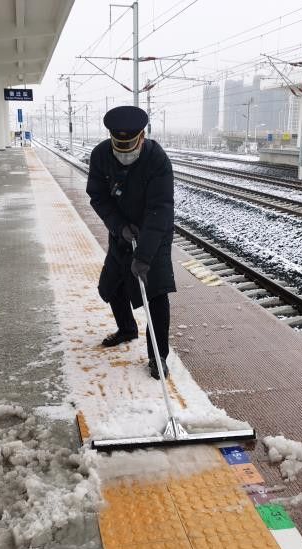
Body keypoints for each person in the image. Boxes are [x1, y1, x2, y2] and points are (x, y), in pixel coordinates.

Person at [86, 105, 175, 379]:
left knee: (155, 294)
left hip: (154, 236)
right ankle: (127, 329)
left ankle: (157, 356)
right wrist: (119, 226)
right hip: (121, 232)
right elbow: (98, 196)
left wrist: (145, 256)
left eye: (129, 146)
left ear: (142, 136)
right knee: (112, 285)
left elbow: (160, 209)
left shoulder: (157, 160)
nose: (124, 153)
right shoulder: (101, 155)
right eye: (118, 146)